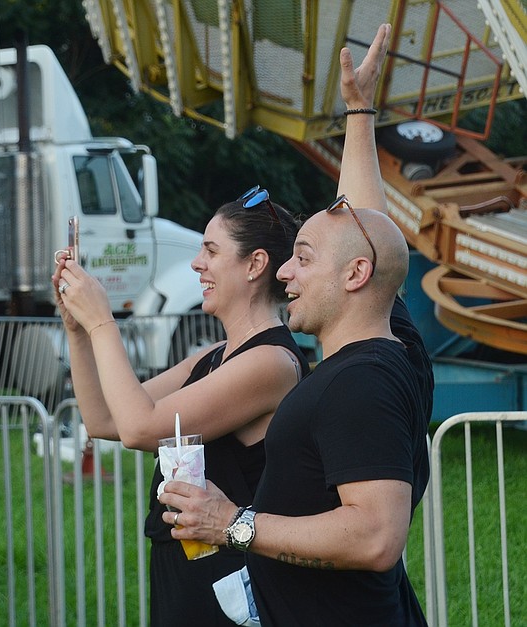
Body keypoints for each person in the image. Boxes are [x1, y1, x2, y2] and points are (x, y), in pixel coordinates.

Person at [159, 23, 434, 626]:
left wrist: (231, 524)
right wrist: (358, 110)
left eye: (302, 258)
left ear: (356, 277)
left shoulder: (361, 382)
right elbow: (363, 227)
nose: (285, 271)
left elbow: (375, 535)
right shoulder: (392, 345)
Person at [52, 181, 310, 623]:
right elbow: (103, 420)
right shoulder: (213, 356)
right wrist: (78, 329)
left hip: (229, 584)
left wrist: (102, 321)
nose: (197, 263)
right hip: (187, 571)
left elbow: (139, 428)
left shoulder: (272, 362)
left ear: (255, 264)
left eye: (210, 251)